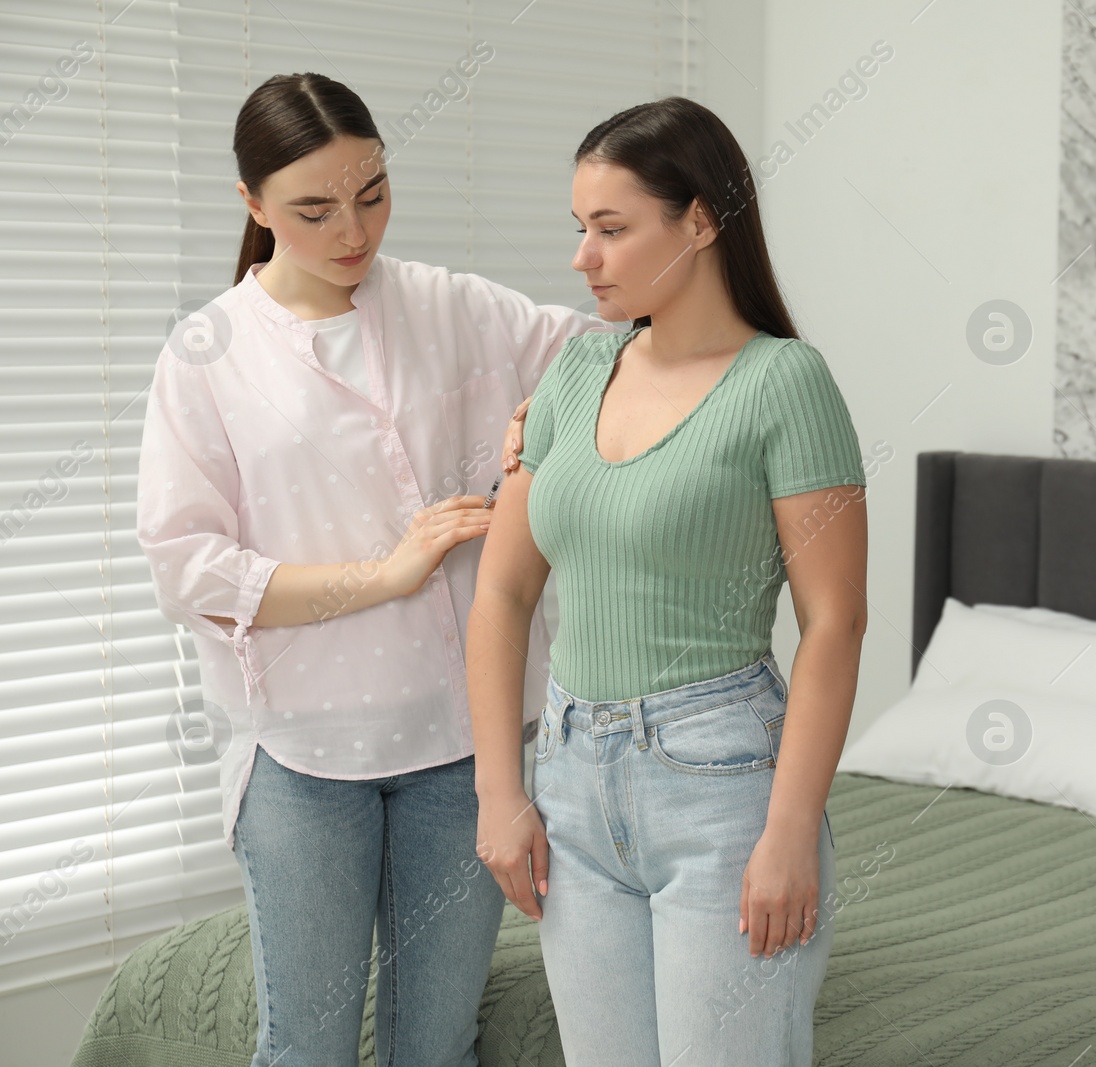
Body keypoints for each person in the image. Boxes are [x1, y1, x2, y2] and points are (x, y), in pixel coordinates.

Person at [135, 72, 623, 1067]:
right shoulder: (207, 356)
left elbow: (611, 357)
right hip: (306, 762)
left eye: (372, 194)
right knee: (307, 1047)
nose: (352, 230)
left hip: (462, 751)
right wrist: (384, 573)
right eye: (313, 209)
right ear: (252, 204)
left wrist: (541, 424)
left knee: (435, 1046)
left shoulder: (454, 306)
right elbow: (188, 565)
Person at [466, 96, 870, 1066]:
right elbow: (502, 593)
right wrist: (498, 791)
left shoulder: (785, 383)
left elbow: (835, 622)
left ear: (697, 221)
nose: (583, 256)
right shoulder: (571, 376)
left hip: (722, 784)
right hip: (569, 777)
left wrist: (788, 830)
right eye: (580, 228)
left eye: (611, 228)